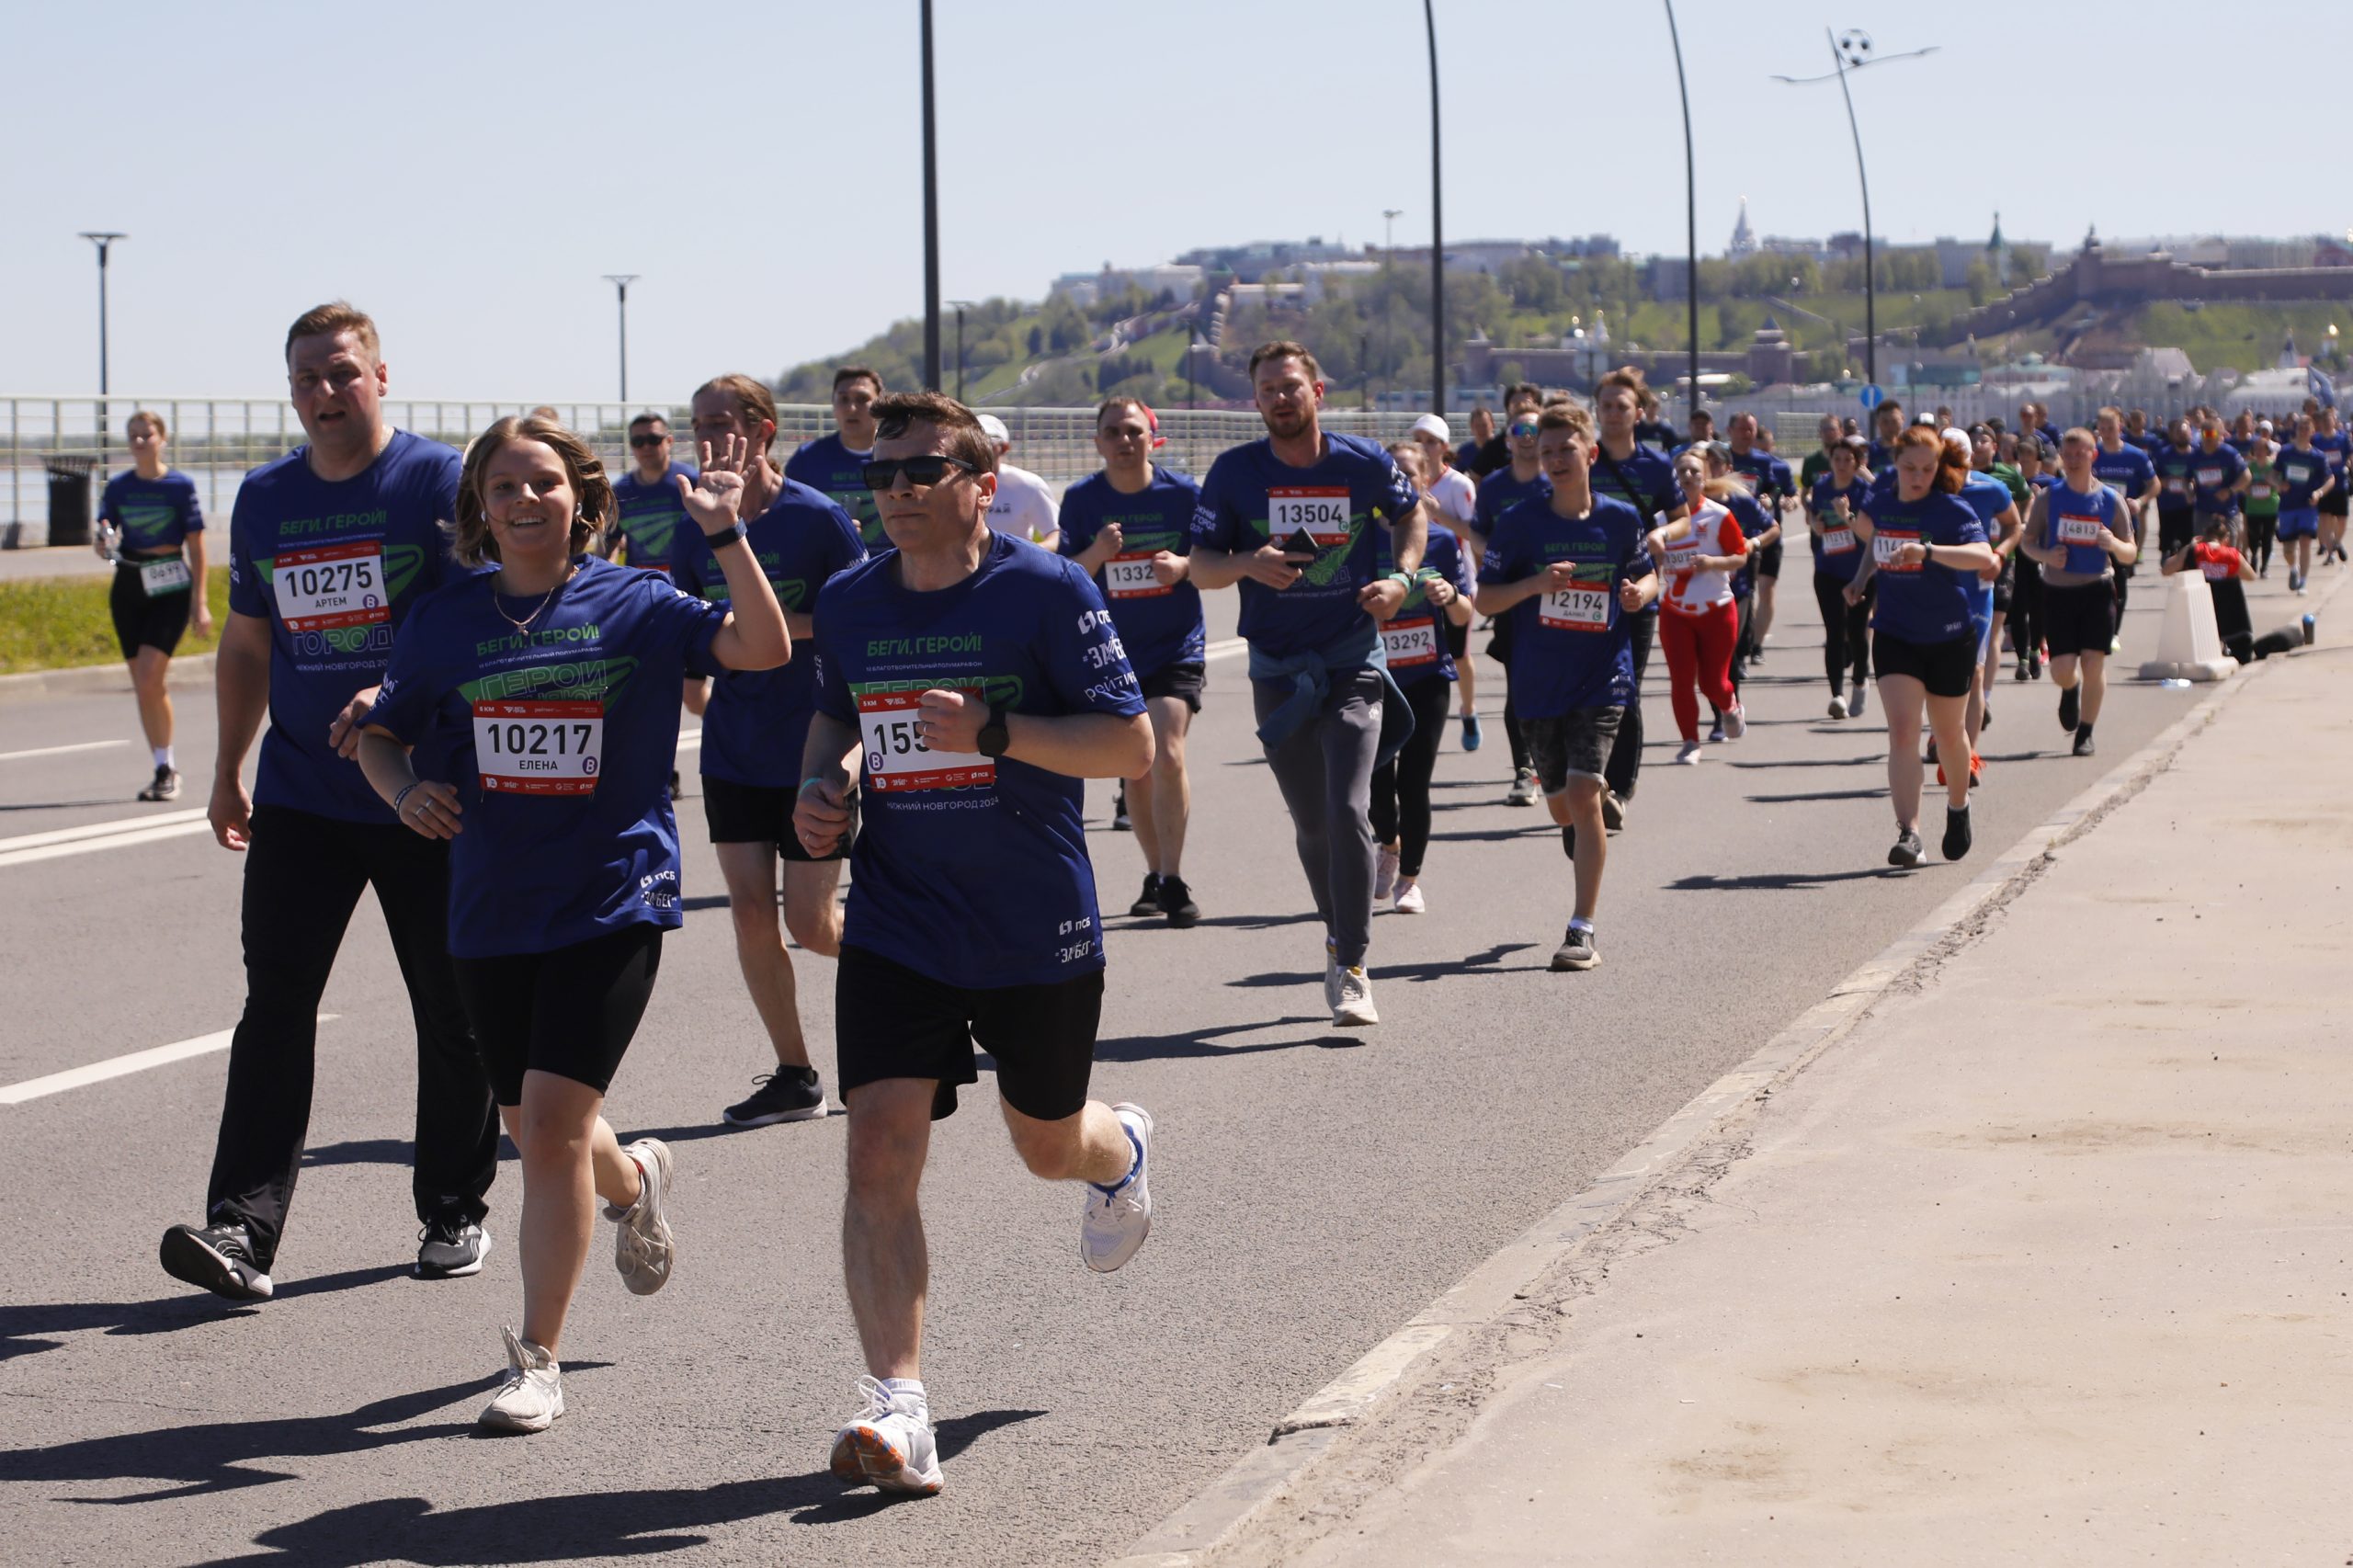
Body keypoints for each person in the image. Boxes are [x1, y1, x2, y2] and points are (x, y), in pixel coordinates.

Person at [358, 419, 785, 1431]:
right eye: (504, 484)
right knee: (536, 1122)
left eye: (545, 482)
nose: (525, 499)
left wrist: (726, 535)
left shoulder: (633, 602)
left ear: (581, 499)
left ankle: (536, 1358)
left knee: (544, 1129)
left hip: (611, 893)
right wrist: (403, 790)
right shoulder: (443, 619)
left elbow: (760, 648)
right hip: (490, 904)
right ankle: (634, 1176)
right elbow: (383, 733)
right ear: (481, 505)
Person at [789, 391, 1155, 1496]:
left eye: (919, 471)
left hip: (1031, 918)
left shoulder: (1047, 591)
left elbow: (1130, 744)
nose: (894, 491)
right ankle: (896, 1404)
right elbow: (839, 714)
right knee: (877, 1151)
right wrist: (821, 797)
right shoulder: (851, 601)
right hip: (900, 917)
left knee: (1047, 1143)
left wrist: (995, 730)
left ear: (980, 482)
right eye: (880, 474)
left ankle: (1121, 1150)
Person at [164, 301, 498, 1303]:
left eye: (341, 373)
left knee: (451, 1008)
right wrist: (228, 764)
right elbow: (250, 642)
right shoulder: (265, 500)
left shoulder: (437, 483)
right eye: (306, 377)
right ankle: (243, 1227)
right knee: (274, 1007)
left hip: (421, 793)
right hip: (305, 794)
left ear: (382, 375)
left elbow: (491, 621)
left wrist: (395, 700)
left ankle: (451, 1207)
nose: (323, 393)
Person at [1189, 341, 1425, 1028]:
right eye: (1267, 390)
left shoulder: (1361, 462)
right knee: (1314, 823)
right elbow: (1200, 567)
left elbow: (1411, 514)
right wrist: (1246, 562)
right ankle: (1337, 935)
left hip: (1352, 658)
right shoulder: (1234, 473)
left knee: (1349, 807)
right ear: (1255, 400)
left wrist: (1403, 578)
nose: (1280, 399)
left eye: (1291, 386)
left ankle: (1352, 960)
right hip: (1278, 673)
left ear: (1317, 390)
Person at [671, 384, 867, 1129]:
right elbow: (686, 620)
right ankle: (796, 1074)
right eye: (699, 425)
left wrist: (772, 624)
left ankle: (919, 984)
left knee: (814, 925)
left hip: (812, 744)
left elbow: (861, 614)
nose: (707, 436)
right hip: (732, 749)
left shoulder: (814, 517)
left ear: (763, 432)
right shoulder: (694, 523)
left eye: (720, 423)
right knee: (752, 914)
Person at [1473, 401, 1659, 971]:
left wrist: (1639, 595)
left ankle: (1581, 929)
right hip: (1537, 682)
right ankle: (1588, 808)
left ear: (1589, 453)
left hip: (1602, 676)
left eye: (1565, 450)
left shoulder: (1621, 519)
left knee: (1580, 797)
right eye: (1546, 450)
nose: (1553, 459)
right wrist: (1533, 584)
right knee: (1562, 809)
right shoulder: (1521, 524)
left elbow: (1651, 575)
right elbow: (1484, 599)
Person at [1062, 395, 1207, 926]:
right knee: (1137, 766)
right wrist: (1097, 554)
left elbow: (1214, 560)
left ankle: (1173, 876)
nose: (1124, 441)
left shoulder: (1185, 494)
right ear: (1098, 442)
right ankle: (1156, 873)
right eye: (1113, 433)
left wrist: (1185, 565)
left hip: (1175, 647)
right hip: (1110, 652)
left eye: (1133, 432)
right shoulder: (1082, 500)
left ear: (1153, 437)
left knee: (1166, 750)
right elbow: (1066, 577)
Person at [1846, 426, 1996, 867]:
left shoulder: (1951, 508)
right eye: (1909, 467)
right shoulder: (1883, 501)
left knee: (1949, 735)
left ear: (1938, 467)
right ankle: (1909, 833)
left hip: (1950, 634)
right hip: (1894, 632)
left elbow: (1984, 558)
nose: (1917, 476)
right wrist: (1860, 579)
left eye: (1927, 469)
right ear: (1896, 463)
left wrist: (1928, 553)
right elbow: (1876, 538)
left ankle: (1957, 807)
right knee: (1903, 732)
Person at [1370, 441, 1476, 914]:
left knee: (1414, 782)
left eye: (1410, 475)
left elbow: (1465, 616)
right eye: (1393, 474)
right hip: (1373, 677)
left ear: (1424, 483)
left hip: (1427, 676)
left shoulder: (1440, 542)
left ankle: (1410, 879)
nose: (1401, 482)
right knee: (1374, 784)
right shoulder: (1359, 542)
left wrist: (1450, 594)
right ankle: (1388, 845)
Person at [96, 409, 211, 801]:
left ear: (163, 438)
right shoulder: (119, 487)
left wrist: (201, 603)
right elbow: (105, 527)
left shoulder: (180, 485)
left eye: (147, 434)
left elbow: (196, 546)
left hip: (170, 583)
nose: (140, 441)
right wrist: (102, 539)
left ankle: (167, 768)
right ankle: (163, 767)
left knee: (149, 677)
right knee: (144, 686)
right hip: (129, 583)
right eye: (133, 435)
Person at [1587, 368, 1685, 825]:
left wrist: (1662, 532)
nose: (1612, 414)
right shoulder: (1582, 459)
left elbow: (1683, 517)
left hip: (1637, 587)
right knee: (1583, 685)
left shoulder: (1654, 465)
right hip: (1586, 588)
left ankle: (1619, 787)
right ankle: (1590, 777)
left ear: (1638, 413)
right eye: (1605, 406)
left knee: (1625, 688)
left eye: (1621, 406)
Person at [2018, 428, 2137, 758]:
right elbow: (2027, 542)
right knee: (2061, 669)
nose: (2071, 461)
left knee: (2093, 662)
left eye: (2079, 455)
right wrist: (2046, 556)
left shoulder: (2109, 499)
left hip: (2097, 588)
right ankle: (2070, 690)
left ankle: (2085, 732)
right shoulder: (2049, 498)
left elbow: (2130, 551)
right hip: (2058, 591)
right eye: (2067, 456)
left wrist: (2113, 544)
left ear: (2092, 456)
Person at [1472, 405, 1548, 806]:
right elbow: (1478, 536)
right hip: (1513, 601)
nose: (1527, 436)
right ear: (1508, 438)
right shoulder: (1495, 487)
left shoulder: (1559, 481)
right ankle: (1524, 770)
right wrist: (1498, 566)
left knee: (1559, 684)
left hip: (1558, 599)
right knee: (1517, 686)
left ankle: (1563, 767)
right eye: (1519, 429)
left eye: (1535, 429)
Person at [1653, 446, 1747, 763]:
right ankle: (1690, 742)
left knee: (1712, 682)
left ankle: (1730, 704)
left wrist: (1713, 562)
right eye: (1681, 472)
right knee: (1681, 681)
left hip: (1717, 609)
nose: (1688, 477)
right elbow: (1651, 560)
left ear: (1705, 478)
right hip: (1675, 612)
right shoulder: (1660, 520)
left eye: (1695, 471)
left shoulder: (1719, 516)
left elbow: (1741, 555)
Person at [1408, 413, 1483, 749]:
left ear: (1444, 447)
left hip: (1456, 581)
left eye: (1431, 441)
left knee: (1458, 655)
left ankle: (1468, 710)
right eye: (1419, 440)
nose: (1425, 447)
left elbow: (1473, 535)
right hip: (1417, 584)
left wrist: (1438, 514)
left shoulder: (1459, 485)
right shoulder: (1405, 480)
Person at [1807, 435, 1872, 718]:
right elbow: (1812, 516)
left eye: (1848, 460)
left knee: (1857, 632)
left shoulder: (1864, 491)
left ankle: (1859, 684)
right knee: (1834, 632)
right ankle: (1837, 695)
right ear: (1830, 461)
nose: (1842, 465)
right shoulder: (1821, 487)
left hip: (1860, 570)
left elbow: (1869, 534)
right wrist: (1815, 524)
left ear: (1857, 463)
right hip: (1828, 569)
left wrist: (1847, 517)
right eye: (1837, 460)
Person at [786, 366, 885, 547]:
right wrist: (830, 530)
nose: (851, 408)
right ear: (833, 405)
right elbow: (791, 523)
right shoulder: (807, 459)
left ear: (880, 405)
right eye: (843, 399)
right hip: (832, 572)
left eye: (862, 399)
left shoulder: (899, 454)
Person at [1726, 413, 1793, 659]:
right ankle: (1732, 647)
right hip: (1728, 532)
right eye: (1742, 429)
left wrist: (1770, 498)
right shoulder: (1723, 459)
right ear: (1729, 431)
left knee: (1755, 591)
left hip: (1757, 533)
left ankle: (1751, 647)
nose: (1746, 434)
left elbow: (1774, 487)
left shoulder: (1763, 461)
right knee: (1736, 593)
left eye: (1750, 430)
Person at [2097, 406, 2162, 654]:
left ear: (2120, 427)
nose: (2106, 433)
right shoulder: (2092, 455)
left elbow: (2155, 485)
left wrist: (2141, 501)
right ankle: (2096, 628)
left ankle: (2113, 632)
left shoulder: (2135, 456)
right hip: (2094, 529)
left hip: (2123, 529)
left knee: (2119, 583)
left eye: (2110, 428)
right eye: (2102, 429)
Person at [607, 412, 694, 567]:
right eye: (638, 441)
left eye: (653, 440)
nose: (646, 447)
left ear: (669, 441)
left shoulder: (691, 481)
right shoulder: (620, 491)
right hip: (643, 584)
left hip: (688, 584)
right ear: (631, 446)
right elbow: (611, 541)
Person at [976, 413, 1061, 550]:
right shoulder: (956, 483)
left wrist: (1024, 555)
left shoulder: (1029, 485)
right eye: (975, 442)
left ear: (1004, 448)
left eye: (989, 442)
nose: (981, 449)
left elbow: (1056, 533)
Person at [2008, 434, 2053, 680]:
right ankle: (2022, 659)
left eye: (2029, 453)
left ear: (2039, 456)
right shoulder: (2011, 482)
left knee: (2039, 605)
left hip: (2040, 549)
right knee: (2017, 606)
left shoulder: (2050, 483)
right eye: (2021, 453)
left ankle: (2036, 650)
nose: (2024, 458)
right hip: (2016, 550)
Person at [2274, 413, 2334, 593]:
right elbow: (2272, 474)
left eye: (2307, 429)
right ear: (2296, 430)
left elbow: (2330, 479)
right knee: (2288, 550)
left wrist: (2319, 492)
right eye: (2301, 428)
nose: (2303, 431)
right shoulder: (2285, 452)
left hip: (2307, 505)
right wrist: (2278, 484)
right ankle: (2294, 568)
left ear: (2312, 432)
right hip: (2287, 506)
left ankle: (2303, 582)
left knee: (2305, 542)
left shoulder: (2318, 457)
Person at [1465, 382, 1541, 478]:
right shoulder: (1495, 446)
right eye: (1516, 405)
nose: (1522, 408)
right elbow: (1475, 476)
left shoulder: (1549, 440)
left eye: (1526, 403)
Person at [2313, 403, 2351, 567]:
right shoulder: (2316, 440)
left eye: (2331, 421)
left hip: (2341, 484)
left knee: (2342, 520)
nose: (2328, 424)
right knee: (2326, 520)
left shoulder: (2342, 439)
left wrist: (2348, 466)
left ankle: (2336, 543)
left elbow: (2350, 456)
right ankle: (2330, 554)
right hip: (2324, 486)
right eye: (2325, 421)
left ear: (2335, 421)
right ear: (2321, 423)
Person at [2241, 431, 2281, 579]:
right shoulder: (2250, 467)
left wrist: (2270, 485)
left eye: (2262, 449)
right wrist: (2248, 490)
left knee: (2267, 538)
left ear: (2267, 450)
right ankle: (2254, 556)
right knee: (2253, 535)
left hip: (2270, 507)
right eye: (2256, 449)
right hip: (2253, 508)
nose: (2259, 452)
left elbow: (2279, 485)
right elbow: (2243, 485)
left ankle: (2264, 566)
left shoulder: (2273, 467)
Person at [1456, 405, 1494, 472]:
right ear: (1471, 427)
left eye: (1484, 425)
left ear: (1492, 425)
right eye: (1477, 426)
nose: (1481, 429)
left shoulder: (1502, 449)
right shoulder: (1464, 452)